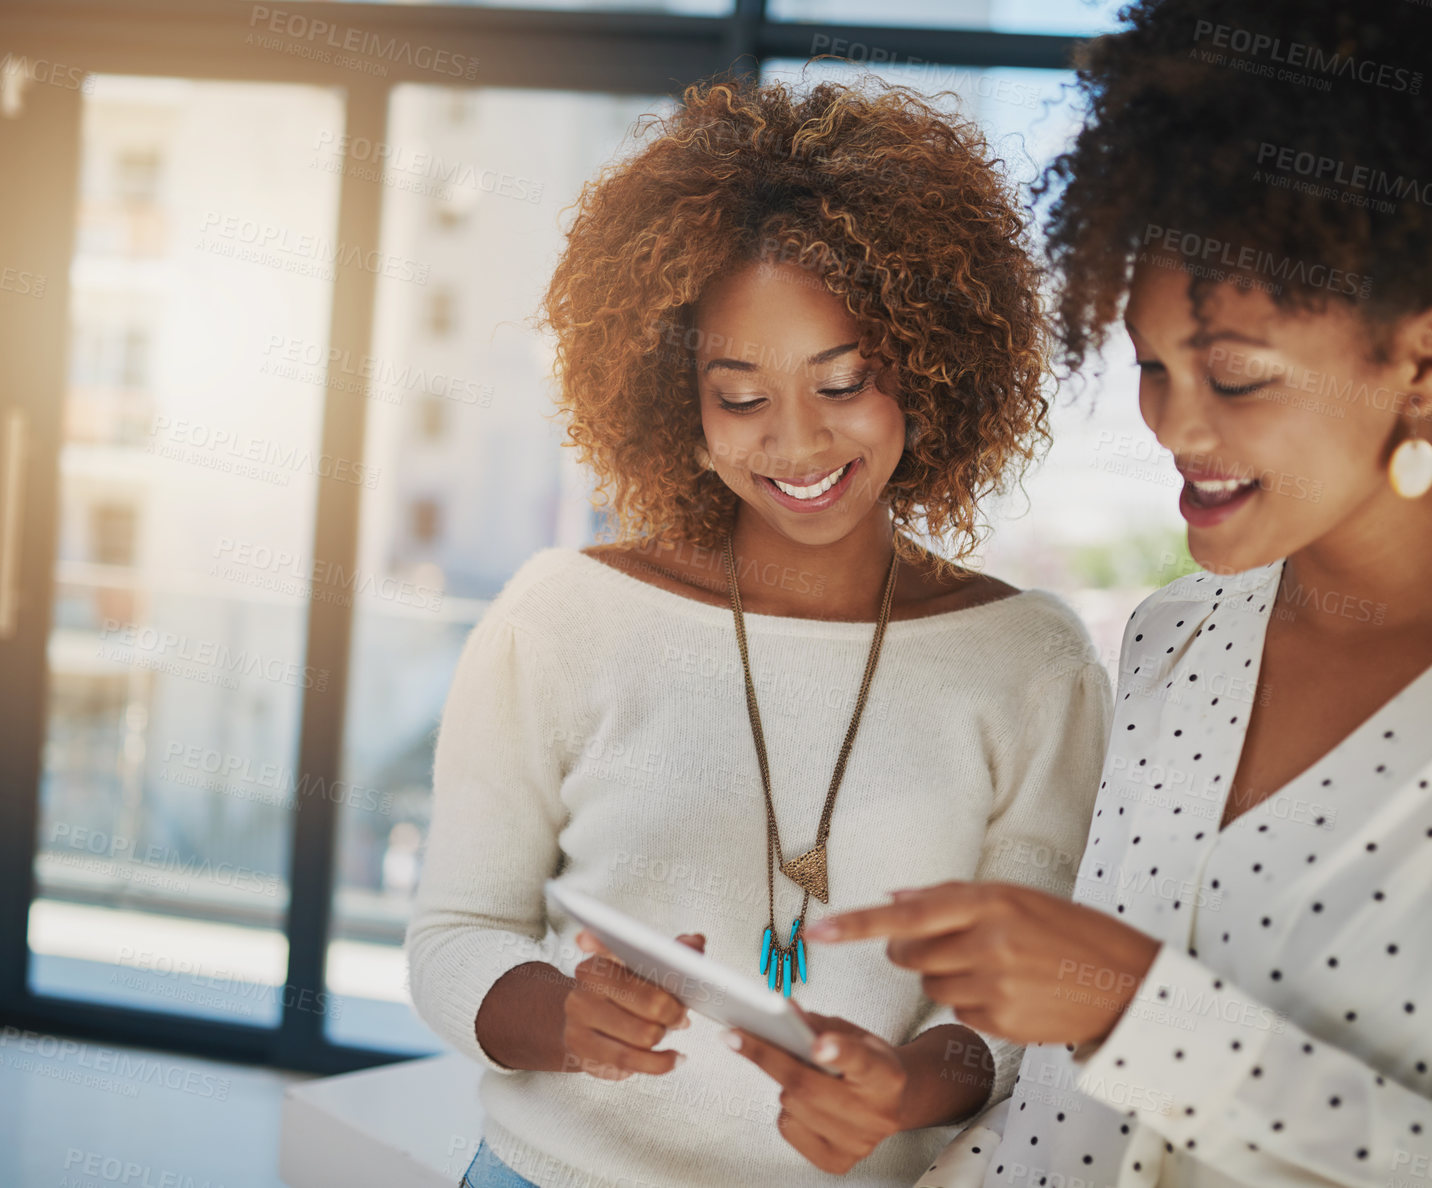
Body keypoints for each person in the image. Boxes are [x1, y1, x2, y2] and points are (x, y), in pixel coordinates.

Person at [805, 2, 1432, 1185]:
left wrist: (1136, 1006)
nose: (1174, 427)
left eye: (1235, 377)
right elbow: (1056, 1057)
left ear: (1430, 359)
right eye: (1150, 364)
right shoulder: (1175, 638)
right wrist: (920, 1080)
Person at [405, 75, 1111, 1188]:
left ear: (930, 367)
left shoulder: (1032, 662)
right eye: (740, 397)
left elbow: (1013, 1019)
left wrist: (901, 1089)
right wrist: (564, 1018)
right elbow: (456, 931)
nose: (795, 442)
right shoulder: (563, 615)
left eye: (844, 382)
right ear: (671, 395)